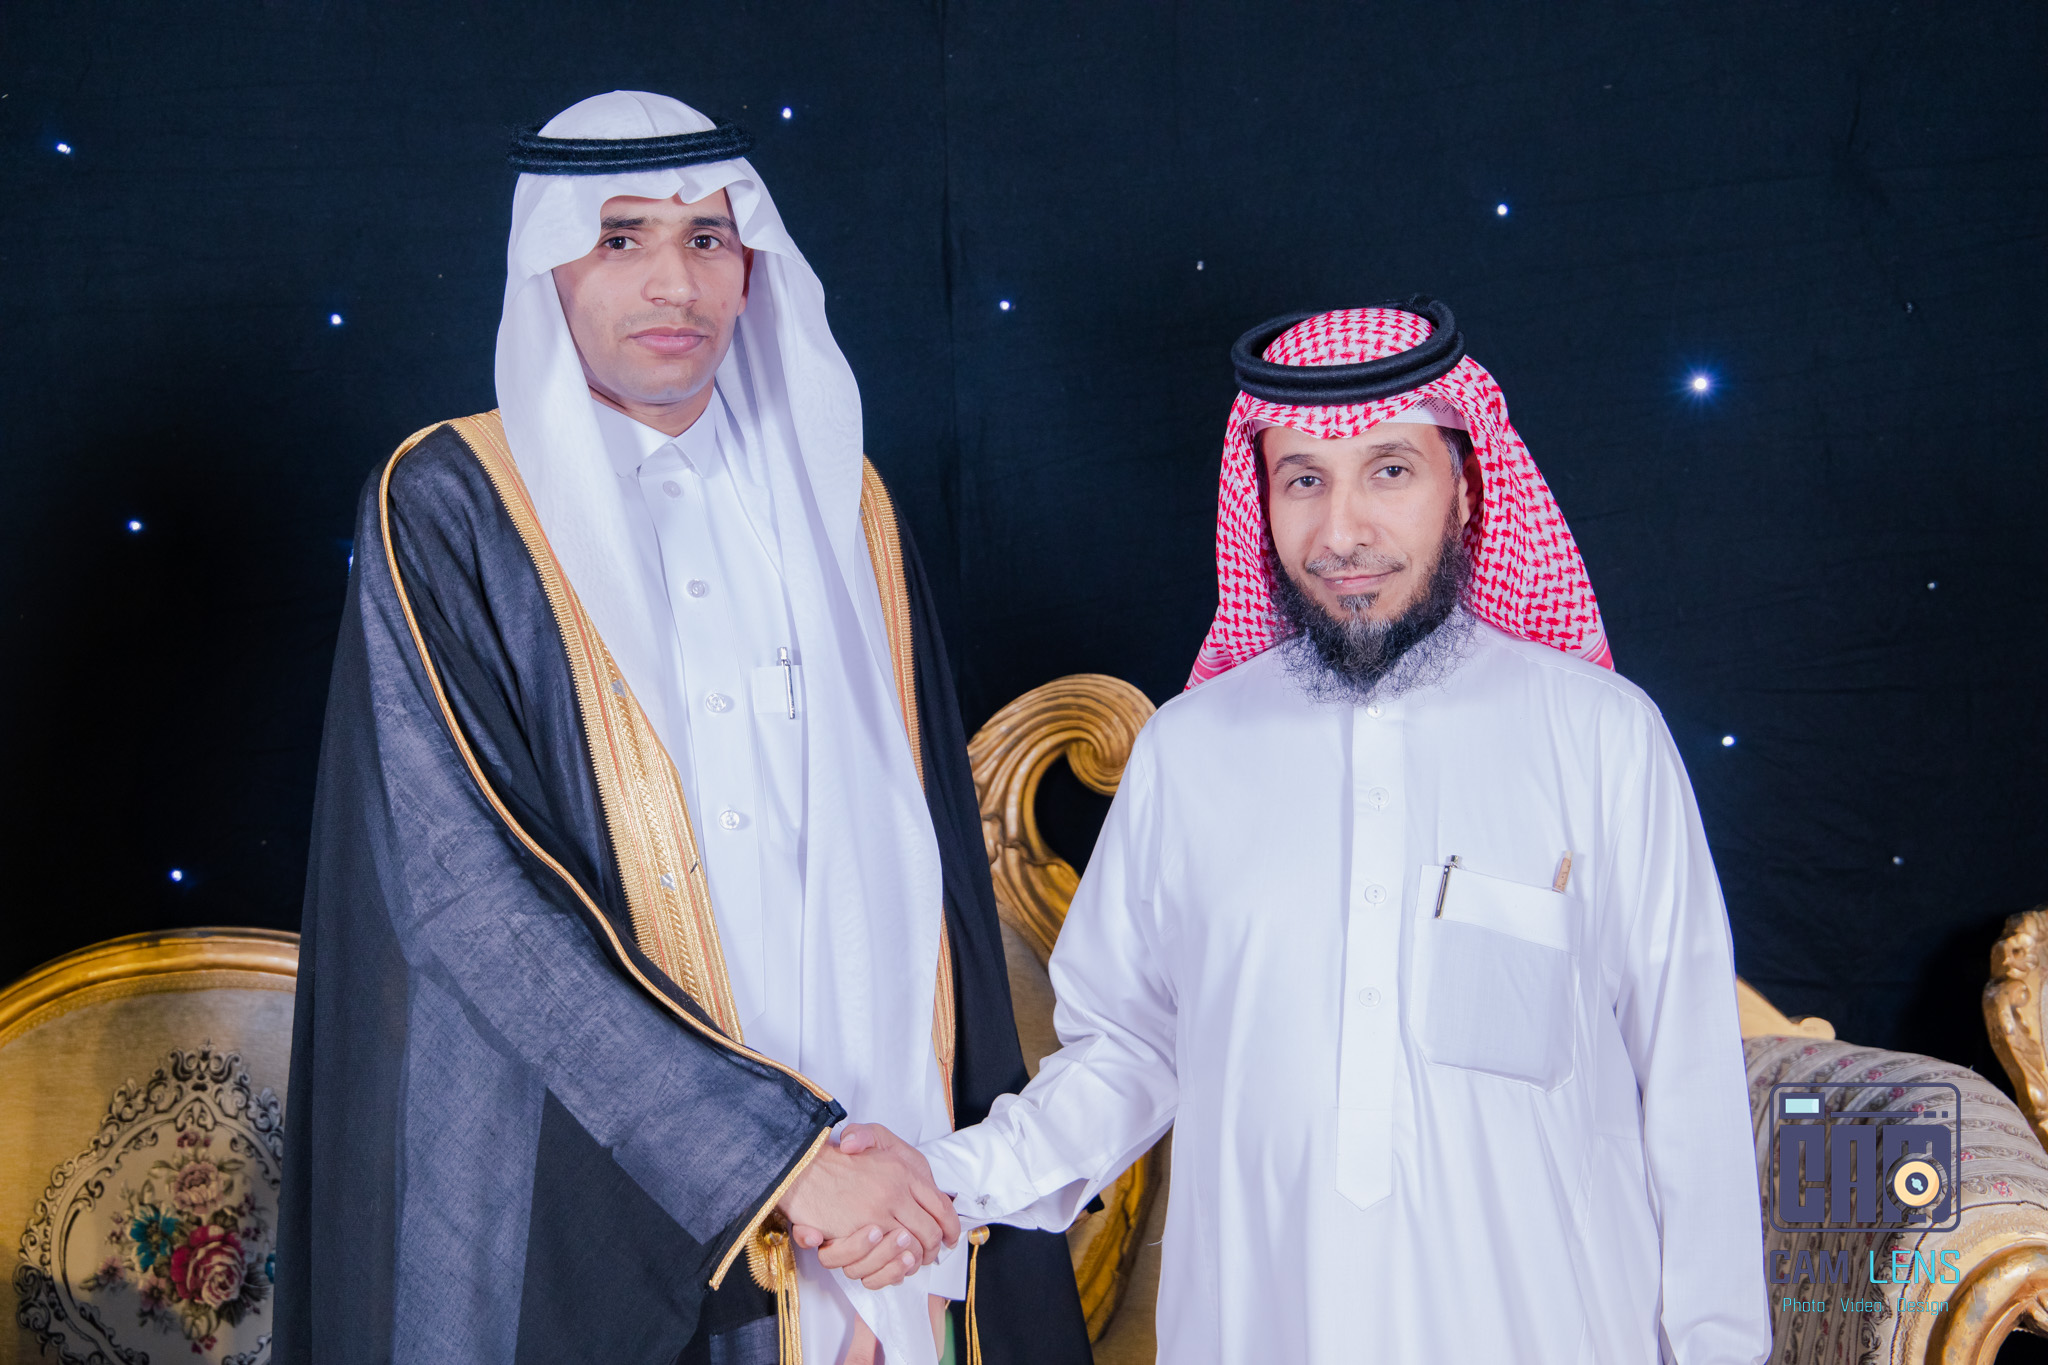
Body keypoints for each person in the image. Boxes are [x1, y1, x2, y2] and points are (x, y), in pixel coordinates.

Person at [274, 90, 1091, 1365]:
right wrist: (779, 1163)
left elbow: (909, 885)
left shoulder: (842, 499)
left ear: (752, 265)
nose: (675, 283)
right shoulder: (453, 503)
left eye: (708, 238)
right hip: (606, 1200)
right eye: (621, 238)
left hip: (881, 1213)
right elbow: (464, 898)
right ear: (549, 262)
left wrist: (907, 1217)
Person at [815, 301, 1771, 1362]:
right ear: (1259, 496)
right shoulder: (1190, 752)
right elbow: (1128, 1053)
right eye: (1304, 479)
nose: (1341, 532)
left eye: (1390, 471)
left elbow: (1687, 1085)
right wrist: (944, 1179)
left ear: (1465, 487)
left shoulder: (1599, 738)